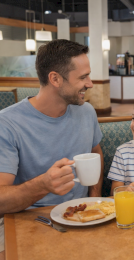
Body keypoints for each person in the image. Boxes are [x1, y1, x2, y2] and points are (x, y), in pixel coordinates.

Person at [0, 40, 104, 259]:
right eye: (83, 77)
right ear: (55, 79)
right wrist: (43, 185)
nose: (91, 83)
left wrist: (95, 200)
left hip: (85, 216)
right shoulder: (7, 124)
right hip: (28, 219)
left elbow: (96, 153)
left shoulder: (86, 112)